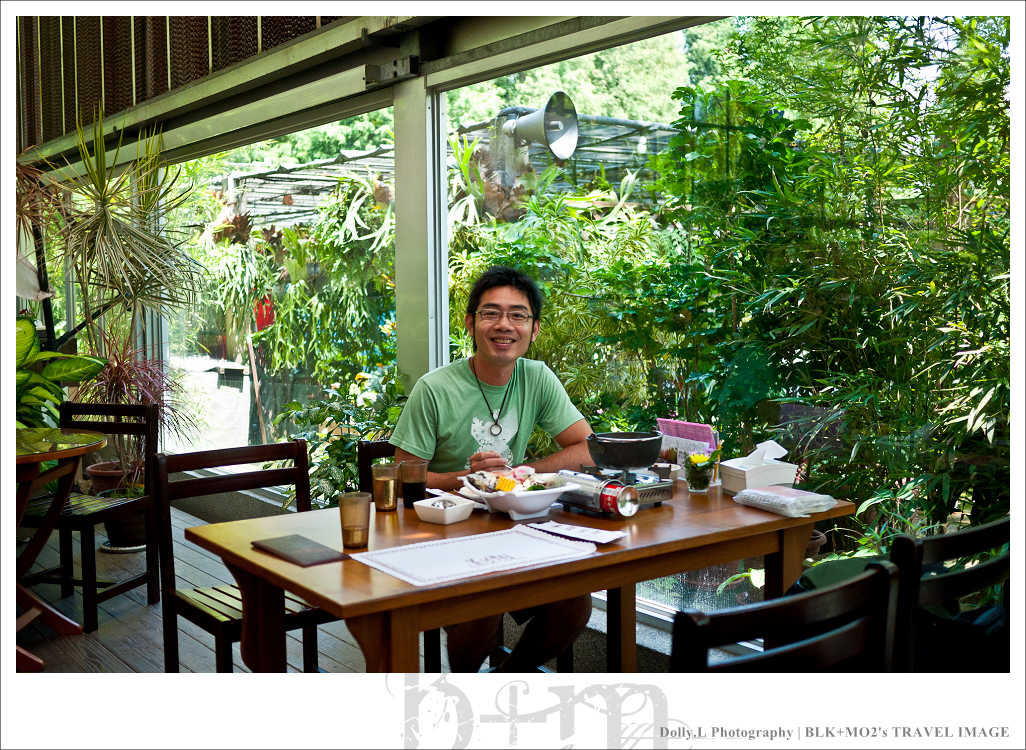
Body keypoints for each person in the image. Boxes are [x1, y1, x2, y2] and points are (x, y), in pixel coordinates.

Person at [389, 265, 593, 672]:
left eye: (518, 315)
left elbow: (586, 447)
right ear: (470, 323)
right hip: (443, 535)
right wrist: (468, 479)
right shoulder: (435, 388)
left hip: (511, 530)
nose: (505, 325)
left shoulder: (536, 377)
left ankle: (504, 680)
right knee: (479, 608)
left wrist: (523, 473)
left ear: (534, 329)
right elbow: (400, 479)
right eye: (491, 313)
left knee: (574, 603)